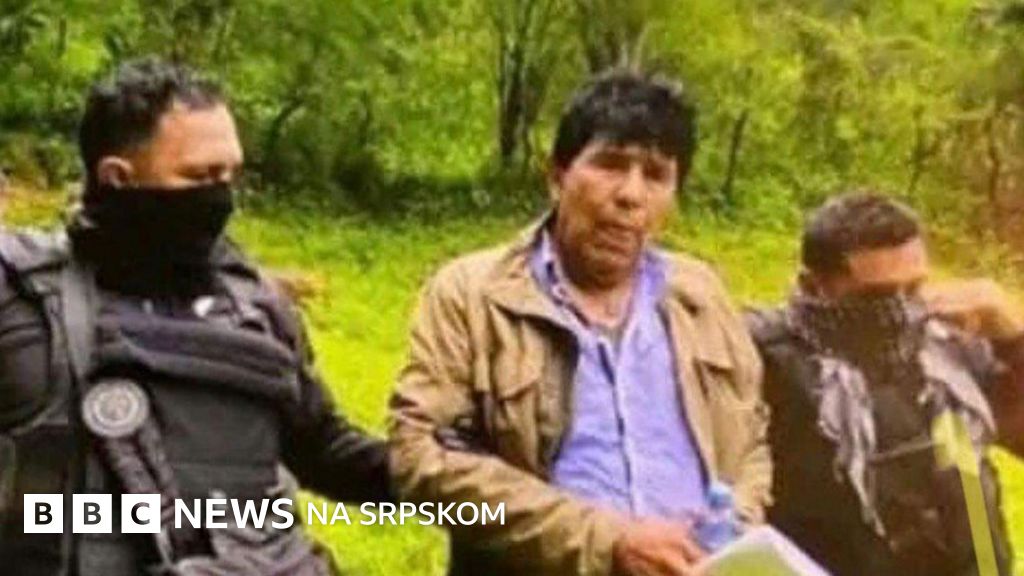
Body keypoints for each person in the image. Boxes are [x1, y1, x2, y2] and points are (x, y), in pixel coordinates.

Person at [0, 58, 390, 575]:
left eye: (230, 174)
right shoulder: (21, 295)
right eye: (201, 176)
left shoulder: (255, 306)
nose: (221, 195)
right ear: (117, 177)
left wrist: (460, 482)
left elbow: (326, 450)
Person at [389, 69, 771, 576]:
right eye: (610, 164)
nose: (631, 194)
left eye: (656, 175)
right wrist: (606, 541)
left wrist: (731, 532)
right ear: (557, 176)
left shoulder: (701, 297)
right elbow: (420, 458)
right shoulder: (472, 294)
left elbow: (750, 443)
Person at [747, 192, 1024, 576]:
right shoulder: (762, 360)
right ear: (812, 286)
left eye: (913, 289)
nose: (902, 310)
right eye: (877, 295)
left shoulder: (950, 339)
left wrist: (1014, 342)